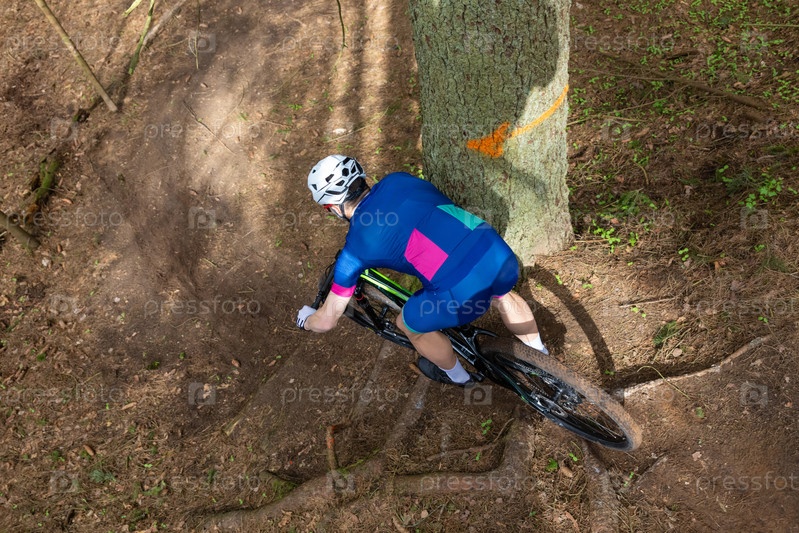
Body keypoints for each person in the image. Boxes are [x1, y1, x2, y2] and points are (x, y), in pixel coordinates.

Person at [296, 155, 548, 386]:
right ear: (361, 177)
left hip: (458, 295)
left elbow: (327, 320)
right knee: (503, 294)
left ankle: (459, 377)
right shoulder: (398, 179)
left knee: (408, 325)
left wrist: (307, 321)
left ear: (332, 207)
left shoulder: (355, 249)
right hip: (497, 254)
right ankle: (542, 356)